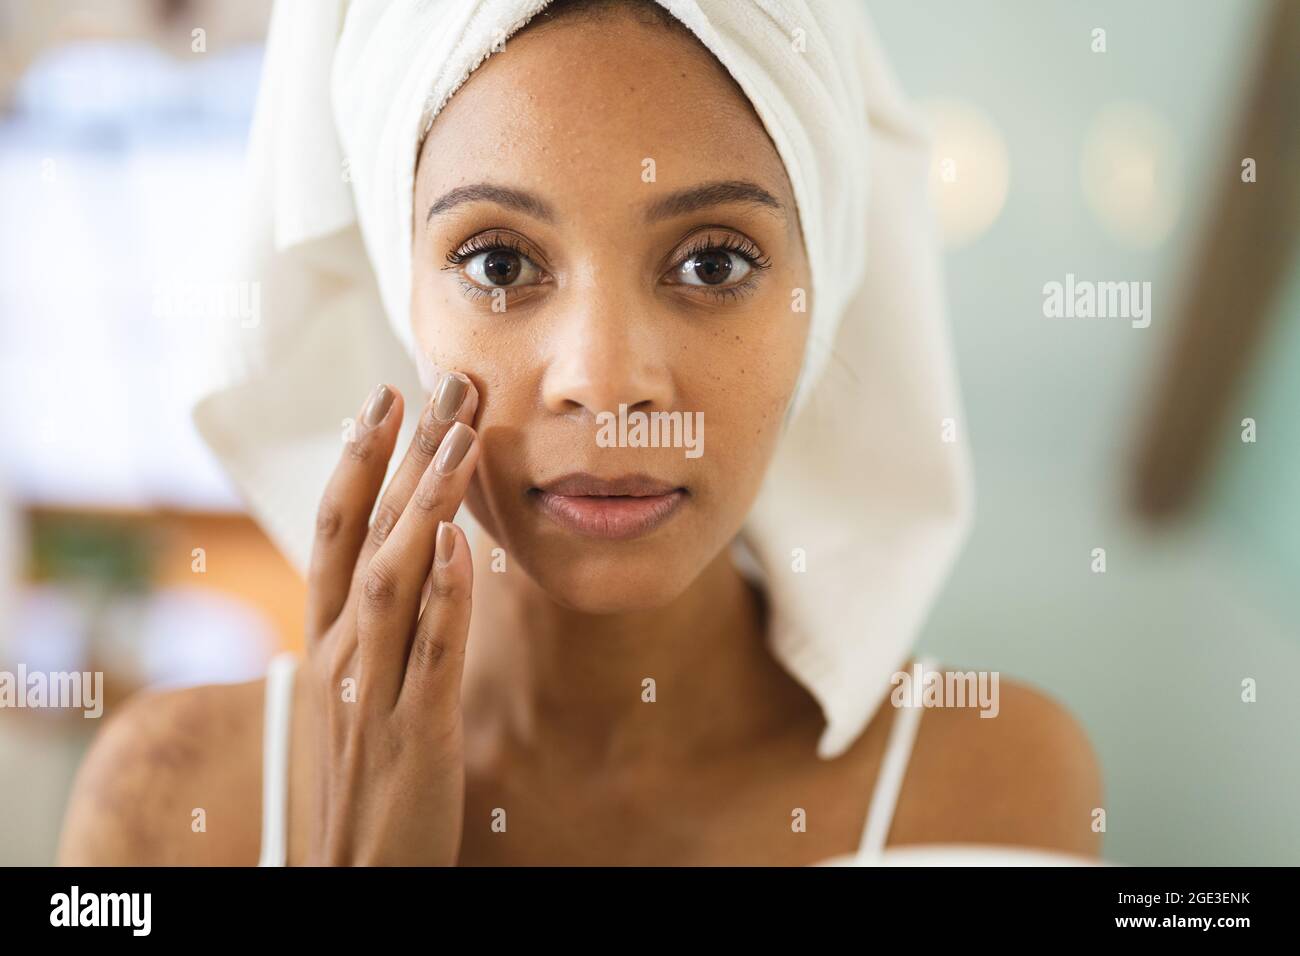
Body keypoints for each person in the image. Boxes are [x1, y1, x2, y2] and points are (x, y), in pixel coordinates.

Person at [57, 0, 1100, 866]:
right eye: (500, 264)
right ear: (401, 296)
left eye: (715, 262)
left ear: (818, 298)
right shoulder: (166, 802)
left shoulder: (994, 786)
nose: (604, 384)